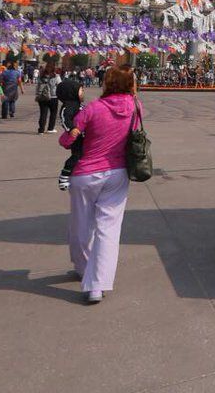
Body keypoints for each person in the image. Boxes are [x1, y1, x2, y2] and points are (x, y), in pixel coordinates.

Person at [58, 64, 139, 304]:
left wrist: (70, 135)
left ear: (107, 83)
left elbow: (67, 140)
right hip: (118, 173)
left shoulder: (93, 108)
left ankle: (84, 267)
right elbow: (133, 134)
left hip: (85, 174)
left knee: (81, 223)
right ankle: (97, 285)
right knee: (108, 229)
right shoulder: (136, 107)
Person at [35, 63, 61, 134]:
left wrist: (37, 95)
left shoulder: (41, 76)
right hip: (53, 97)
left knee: (43, 113)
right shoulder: (56, 76)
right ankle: (50, 128)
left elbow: (38, 86)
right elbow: (60, 86)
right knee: (53, 113)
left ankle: (41, 130)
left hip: (43, 97)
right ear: (54, 68)